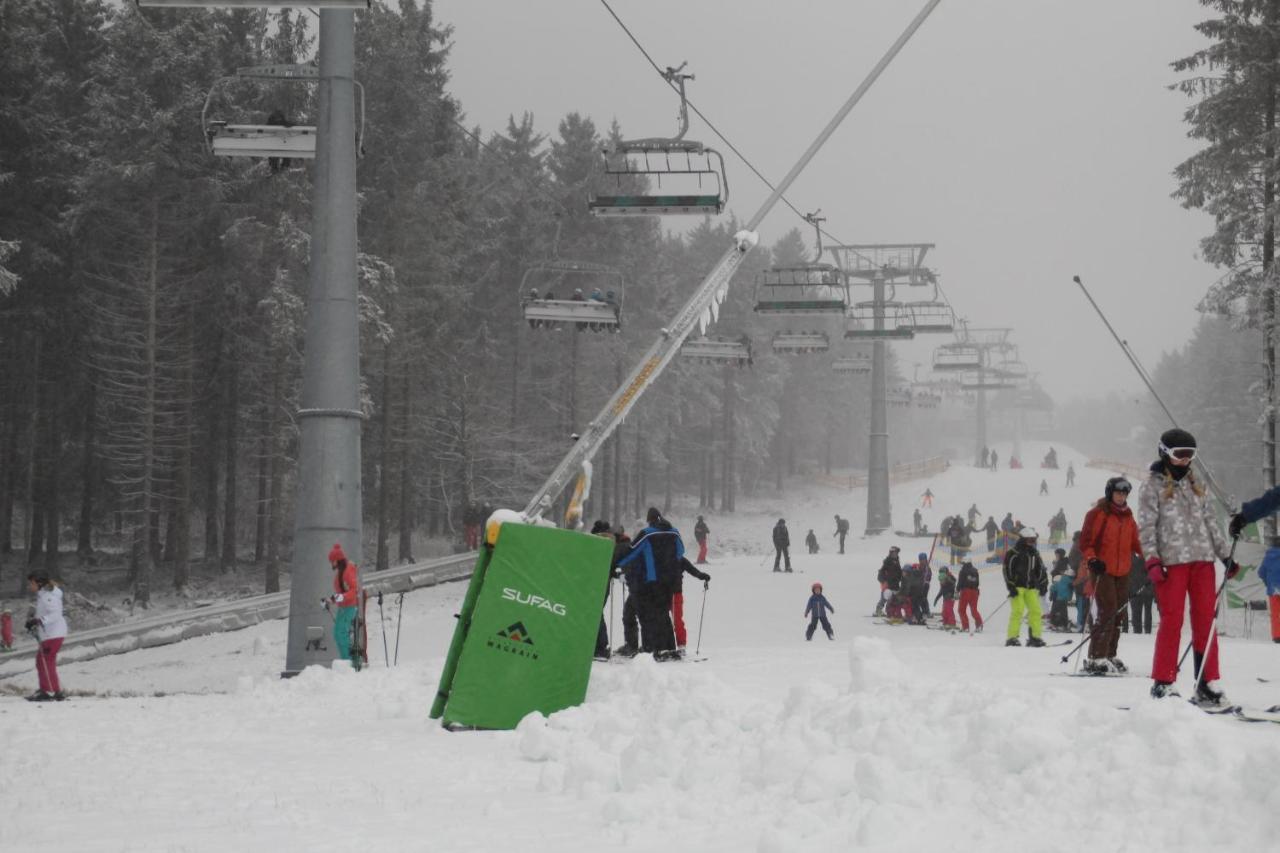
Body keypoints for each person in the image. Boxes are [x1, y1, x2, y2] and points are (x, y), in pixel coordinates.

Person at [1139, 429, 1238, 702]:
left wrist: (1225, 555)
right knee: (1172, 620)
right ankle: (1163, 681)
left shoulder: (1198, 483)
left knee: (1206, 620)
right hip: (1172, 563)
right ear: (1165, 453)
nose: (1184, 460)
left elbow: (1211, 524)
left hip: (1203, 561)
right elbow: (1147, 528)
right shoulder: (1152, 486)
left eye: (1189, 455)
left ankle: (1207, 681)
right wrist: (1152, 560)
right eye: (1179, 454)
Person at [1078, 475, 1143, 673]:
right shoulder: (1098, 514)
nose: (1121, 497)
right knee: (1107, 610)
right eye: (1118, 493)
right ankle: (1096, 657)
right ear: (1110, 493)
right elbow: (1086, 541)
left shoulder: (1128, 517)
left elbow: (1137, 542)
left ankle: (1109, 654)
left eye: (1124, 494)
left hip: (1122, 570)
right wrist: (1092, 559)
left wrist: (1153, 559)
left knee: (1119, 613)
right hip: (1102, 569)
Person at [616, 507, 683, 658]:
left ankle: (652, 648)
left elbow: (632, 551)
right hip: (670, 580)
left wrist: (619, 565)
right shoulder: (674, 532)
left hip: (653, 580)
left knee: (650, 614)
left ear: (650, 520)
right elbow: (680, 552)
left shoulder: (647, 534)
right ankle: (669, 648)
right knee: (664, 613)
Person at [24, 572, 68, 701]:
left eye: (31, 583)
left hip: (53, 634)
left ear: (39, 583)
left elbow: (55, 614)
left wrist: (39, 621)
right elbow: (46, 614)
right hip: (50, 634)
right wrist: (33, 621)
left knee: (45, 661)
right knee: (41, 661)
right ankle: (48, 689)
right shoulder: (43, 596)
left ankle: (50, 691)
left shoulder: (48, 597)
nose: (29, 586)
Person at [1002, 527, 1048, 647]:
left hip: (1031, 587)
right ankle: (1012, 638)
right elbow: (1007, 570)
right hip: (1018, 587)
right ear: (1022, 539)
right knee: (1018, 610)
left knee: (1036, 611)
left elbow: (1041, 569)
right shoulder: (1013, 553)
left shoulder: (1034, 553)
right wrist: (1011, 586)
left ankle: (1035, 637)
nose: (1031, 543)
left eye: (1033, 540)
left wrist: (1043, 583)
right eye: (1029, 540)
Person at [326, 543, 361, 668]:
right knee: (338, 633)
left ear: (338, 560)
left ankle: (349, 661)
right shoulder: (340, 572)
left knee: (341, 632)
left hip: (350, 607)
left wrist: (343, 597)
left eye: (332, 561)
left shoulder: (347, 571)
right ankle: (346, 660)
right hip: (343, 607)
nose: (331, 564)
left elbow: (353, 589)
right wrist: (330, 600)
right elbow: (340, 592)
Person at [671, 556, 711, 656]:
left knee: (677, 620)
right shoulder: (660, 554)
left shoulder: (679, 557)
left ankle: (681, 646)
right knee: (663, 620)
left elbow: (691, 569)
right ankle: (665, 646)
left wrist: (701, 575)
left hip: (675, 593)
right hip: (660, 592)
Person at [1128, 552, 1154, 635]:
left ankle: (1147, 630)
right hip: (1135, 589)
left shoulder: (1145, 556)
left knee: (1147, 611)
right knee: (1136, 612)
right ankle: (1138, 631)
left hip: (1145, 588)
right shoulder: (1131, 557)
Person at [1049, 549, 1073, 631]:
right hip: (1060, 592)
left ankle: (1057, 622)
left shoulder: (1062, 562)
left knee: (1057, 608)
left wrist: (1054, 571)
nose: (1056, 555)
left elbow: (1058, 572)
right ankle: (1060, 622)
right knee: (1061, 608)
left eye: (1057, 554)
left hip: (1059, 591)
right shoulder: (1060, 561)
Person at [956, 560, 983, 632]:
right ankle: (979, 625)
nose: (961, 565)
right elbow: (977, 583)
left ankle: (966, 627)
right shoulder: (975, 571)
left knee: (961, 610)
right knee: (974, 610)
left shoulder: (963, 571)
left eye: (962, 563)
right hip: (975, 592)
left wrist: (957, 591)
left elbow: (960, 582)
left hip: (965, 591)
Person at [876, 546, 903, 616]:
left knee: (894, 599)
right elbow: (880, 574)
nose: (895, 555)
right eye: (894, 553)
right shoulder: (887, 562)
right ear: (890, 553)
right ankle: (878, 610)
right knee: (884, 598)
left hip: (895, 586)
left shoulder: (897, 562)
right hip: (888, 586)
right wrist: (884, 581)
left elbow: (900, 574)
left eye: (896, 553)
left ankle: (892, 611)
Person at [915, 552, 933, 618]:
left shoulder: (927, 568)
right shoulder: (918, 567)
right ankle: (921, 611)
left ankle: (926, 611)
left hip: (925, 585)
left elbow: (929, 576)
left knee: (924, 598)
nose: (922, 561)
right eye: (921, 560)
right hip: (919, 585)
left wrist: (925, 579)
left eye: (924, 559)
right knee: (919, 598)